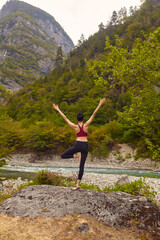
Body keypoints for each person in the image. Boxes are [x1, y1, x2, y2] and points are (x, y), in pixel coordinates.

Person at [53, 98, 106, 189]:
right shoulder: (86, 125)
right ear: (83, 119)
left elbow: (65, 118)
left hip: (77, 145)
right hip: (85, 145)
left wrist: (58, 109)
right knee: (82, 166)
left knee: (63, 156)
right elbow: (94, 114)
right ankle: (78, 185)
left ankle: (76, 156)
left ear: (77, 119)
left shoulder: (75, 126)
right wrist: (100, 103)